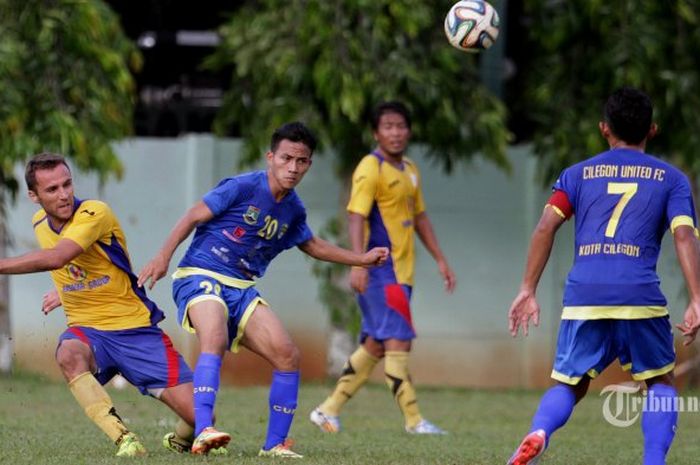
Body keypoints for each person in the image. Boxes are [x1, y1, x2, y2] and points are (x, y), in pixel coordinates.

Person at [137, 121, 389, 458]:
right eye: (286, 158)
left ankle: (274, 446)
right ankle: (203, 430)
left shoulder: (293, 209)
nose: (293, 167)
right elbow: (193, 216)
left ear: (308, 164)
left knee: (288, 355)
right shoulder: (241, 187)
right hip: (200, 273)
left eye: (301, 161)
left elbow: (312, 245)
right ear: (271, 157)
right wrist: (162, 256)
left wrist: (361, 259)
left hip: (241, 287)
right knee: (214, 336)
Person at [506, 87, 700, 465]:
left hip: (585, 294)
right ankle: (653, 462)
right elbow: (683, 235)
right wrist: (697, 297)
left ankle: (540, 431)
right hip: (639, 294)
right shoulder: (672, 179)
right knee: (659, 382)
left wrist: (527, 289)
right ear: (653, 129)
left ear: (604, 128)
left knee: (570, 385)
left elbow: (545, 227)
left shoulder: (576, 174)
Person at [9, 153, 206, 457]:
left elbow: (59, 256)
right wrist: (63, 291)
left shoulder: (94, 212)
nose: (63, 195)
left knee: (203, 420)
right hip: (89, 331)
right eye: (52, 190)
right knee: (68, 353)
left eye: (67, 184)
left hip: (135, 330)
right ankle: (124, 439)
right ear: (33, 196)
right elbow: (76, 263)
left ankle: (180, 441)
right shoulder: (40, 223)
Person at [309, 101, 457, 435]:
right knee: (398, 343)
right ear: (376, 132)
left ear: (409, 130)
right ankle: (415, 421)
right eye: (387, 126)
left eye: (400, 125)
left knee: (376, 344)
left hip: (403, 273)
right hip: (381, 272)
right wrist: (359, 262)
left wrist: (440, 258)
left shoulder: (410, 170)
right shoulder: (369, 167)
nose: (395, 132)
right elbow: (356, 215)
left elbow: (419, 217)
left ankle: (327, 410)